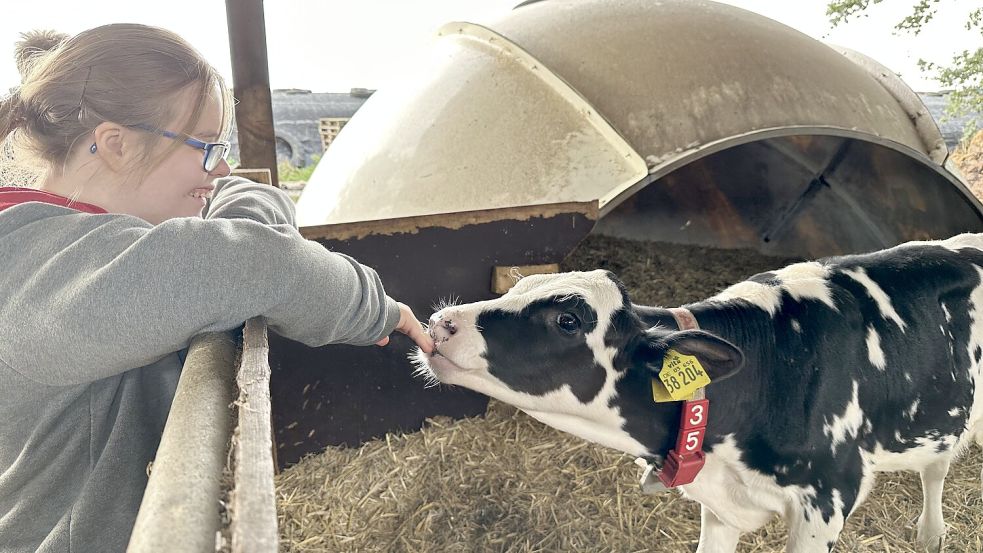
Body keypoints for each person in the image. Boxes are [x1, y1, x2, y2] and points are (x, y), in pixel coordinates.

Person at [0, 24, 434, 552]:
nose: (220, 165)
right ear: (115, 144)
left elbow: (237, 215)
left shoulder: (80, 245)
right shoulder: (39, 268)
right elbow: (261, 262)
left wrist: (243, 207)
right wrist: (377, 309)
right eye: (205, 147)